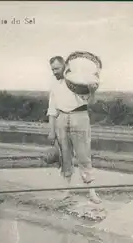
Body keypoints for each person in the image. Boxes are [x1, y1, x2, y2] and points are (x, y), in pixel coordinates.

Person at [47, 56, 102, 204]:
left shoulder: (77, 80)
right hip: (61, 118)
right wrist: (51, 131)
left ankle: (92, 192)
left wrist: (93, 91)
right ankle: (66, 191)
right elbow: (52, 109)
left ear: (65, 66)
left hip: (79, 116)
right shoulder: (54, 84)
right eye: (52, 69)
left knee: (83, 155)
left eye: (57, 68)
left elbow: (91, 101)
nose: (54, 72)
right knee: (65, 156)